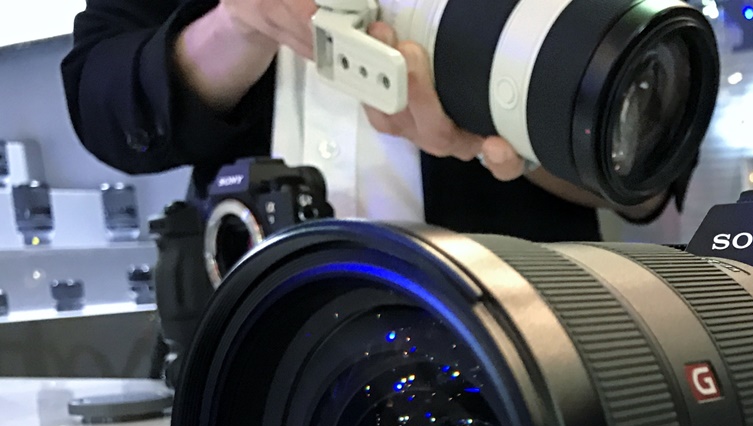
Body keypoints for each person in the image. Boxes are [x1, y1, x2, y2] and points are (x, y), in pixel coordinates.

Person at [60, 0, 689, 243]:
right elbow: (103, 106)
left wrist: (509, 133)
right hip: (256, 343)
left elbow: (644, 173)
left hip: (516, 343)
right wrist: (237, 24)